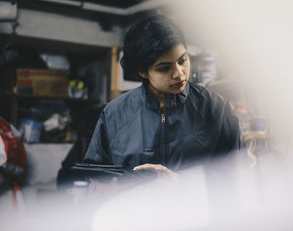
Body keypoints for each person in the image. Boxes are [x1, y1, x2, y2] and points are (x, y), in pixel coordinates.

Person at [83, 14, 242, 177]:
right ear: (143, 72)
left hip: (196, 202)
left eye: (182, 60)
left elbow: (237, 175)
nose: (179, 74)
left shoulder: (215, 108)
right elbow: (97, 173)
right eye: (165, 68)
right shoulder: (114, 114)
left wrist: (183, 184)